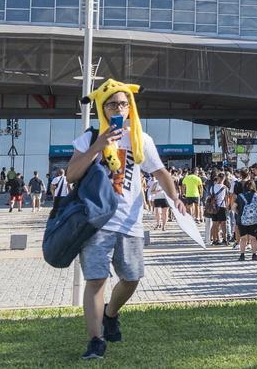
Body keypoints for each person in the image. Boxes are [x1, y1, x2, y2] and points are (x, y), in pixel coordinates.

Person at [66, 79, 185, 360]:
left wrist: (175, 198)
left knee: (131, 279)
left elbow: (160, 172)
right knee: (95, 280)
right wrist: (97, 146)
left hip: (130, 222)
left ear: (130, 107)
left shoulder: (141, 138)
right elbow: (71, 174)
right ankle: (95, 341)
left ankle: (111, 313)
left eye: (123, 103)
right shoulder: (89, 137)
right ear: (102, 108)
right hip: (95, 221)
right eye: (112, 104)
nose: (119, 108)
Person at [234, 179, 257, 261]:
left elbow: (233, 207)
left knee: (243, 238)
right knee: (253, 238)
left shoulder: (240, 196)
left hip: (242, 220)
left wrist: (239, 213)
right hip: (254, 220)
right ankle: (254, 255)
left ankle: (242, 255)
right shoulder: (256, 196)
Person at [207, 173, 231, 246]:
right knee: (223, 224)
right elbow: (227, 199)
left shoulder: (212, 187)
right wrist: (228, 207)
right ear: (223, 179)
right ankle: (225, 239)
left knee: (215, 224)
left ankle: (215, 240)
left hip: (214, 207)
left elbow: (210, 197)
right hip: (222, 207)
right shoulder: (225, 188)